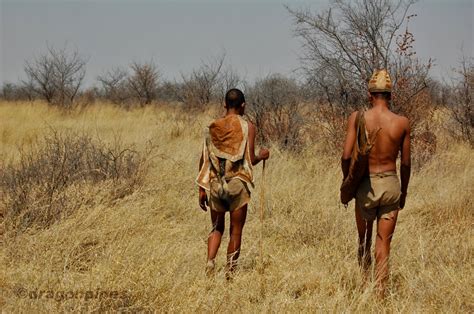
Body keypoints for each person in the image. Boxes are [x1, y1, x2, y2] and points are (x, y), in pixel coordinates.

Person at [341, 69, 411, 297]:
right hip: (391, 185)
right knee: (383, 245)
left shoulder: (358, 118)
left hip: (365, 186)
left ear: (369, 94)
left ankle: (364, 287)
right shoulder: (402, 122)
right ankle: (380, 293)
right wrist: (404, 193)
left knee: (364, 240)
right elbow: (407, 164)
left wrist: (348, 183)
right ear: (390, 96)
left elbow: (345, 156)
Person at [196, 88, 270, 279]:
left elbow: (203, 159)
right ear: (243, 105)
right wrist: (262, 156)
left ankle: (210, 261)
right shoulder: (248, 127)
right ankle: (230, 272)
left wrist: (201, 189)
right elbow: (250, 160)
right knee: (235, 231)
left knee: (216, 228)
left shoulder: (212, 126)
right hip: (237, 184)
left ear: (224, 104)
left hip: (216, 184)